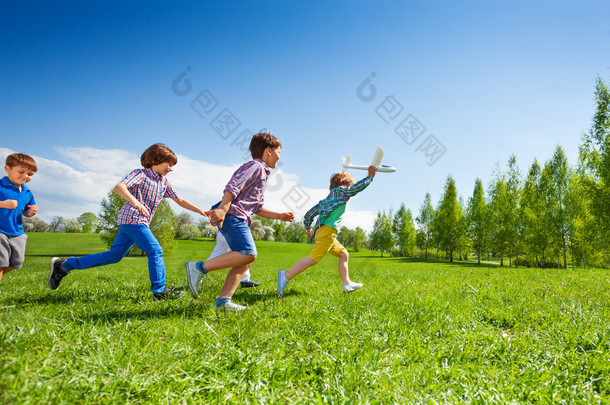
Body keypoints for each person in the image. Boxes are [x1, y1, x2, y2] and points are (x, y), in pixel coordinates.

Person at [48, 143, 207, 300]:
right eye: (169, 164)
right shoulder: (141, 174)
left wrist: (200, 210)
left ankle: (64, 266)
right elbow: (120, 187)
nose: (171, 168)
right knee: (155, 250)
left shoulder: (163, 182)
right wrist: (135, 202)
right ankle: (159, 291)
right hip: (132, 218)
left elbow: (180, 200)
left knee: (114, 256)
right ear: (155, 159)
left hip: (136, 222)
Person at [185, 129, 294, 311]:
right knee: (248, 253)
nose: (279, 157)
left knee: (245, 261)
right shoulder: (255, 166)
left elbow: (257, 207)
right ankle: (199, 268)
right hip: (233, 216)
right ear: (268, 150)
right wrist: (222, 208)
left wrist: (279, 216)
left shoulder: (263, 173)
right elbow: (233, 186)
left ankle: (223, 302)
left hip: (240, 217)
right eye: (278, 152)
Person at [277, 165, 376, 297]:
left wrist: (308, 227)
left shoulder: (326, 200)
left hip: (325, 232)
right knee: (313, 259)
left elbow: (309, 214)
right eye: (348, 185)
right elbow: (355, 189)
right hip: (328, 232)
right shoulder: (341, 190)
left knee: (343, 254)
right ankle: (286, 275)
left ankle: (346, 283)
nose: (348, 191)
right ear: (344, 184)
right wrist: (370, 177)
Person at [0, 153, 38, 284]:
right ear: (7, 168)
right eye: (21, 172)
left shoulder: (27, 193)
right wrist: (3, 204)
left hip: (16, 232)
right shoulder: (1, 186)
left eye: (30, 174)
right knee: (1, 261)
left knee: (17, 262)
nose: (25, 176)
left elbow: (25, 212)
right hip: (0, 231)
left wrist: (30, 213)